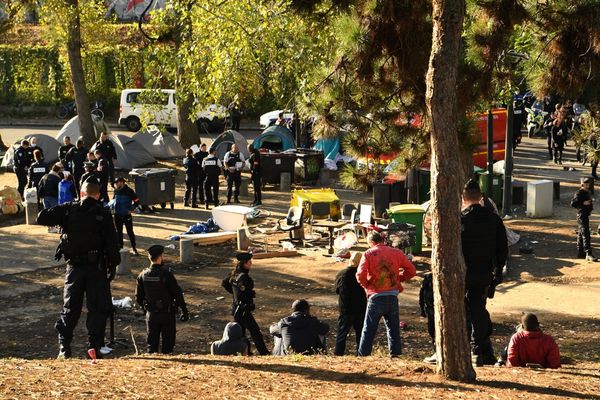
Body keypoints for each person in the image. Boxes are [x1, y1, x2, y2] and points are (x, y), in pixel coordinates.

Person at [36, 177, 121, 359]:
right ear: (98, 195)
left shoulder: (68, 209)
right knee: (97, 308)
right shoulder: (103, 213)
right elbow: (113, 243)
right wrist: (112, 266)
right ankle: (95, 346)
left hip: (74, 268)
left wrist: (64, 212)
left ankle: (64, 347)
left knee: (71, 308)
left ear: (82, 193)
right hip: (96, 268)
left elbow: (41, 217)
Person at [461, 179, 508, 366]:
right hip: (483, 272)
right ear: (481, 197)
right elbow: (502, 248)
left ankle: (469, 346)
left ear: (463, 198)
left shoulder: (460, 219)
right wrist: (498, 271)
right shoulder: (493, 219)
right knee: (478, 309)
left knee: (464, 310)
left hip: (463, 271)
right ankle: (478, 349)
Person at [356, 231, 417, 357]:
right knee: (393, 328)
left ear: (371, 242)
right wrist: (398, 279)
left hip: (376, 295)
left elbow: (360, 274)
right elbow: (411, 270)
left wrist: (367, 285)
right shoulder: (396, 252)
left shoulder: (368, 254)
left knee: (369, 329)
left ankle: (363, 355)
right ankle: (395, 355)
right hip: (392, 295)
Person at [135, 245, 189, 354]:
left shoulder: (142, 275)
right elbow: (177, 294)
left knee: (151, 345)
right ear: (160, 257)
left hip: (151, 315)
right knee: (168, 346)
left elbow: (138, 297)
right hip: (167, 314)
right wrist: (184, 310)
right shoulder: (166, 274)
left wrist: (145, 309)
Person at [221, 252, 269, 355]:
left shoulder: (234, 274)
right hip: (243, 309)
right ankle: (264, 352)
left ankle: (243, 352)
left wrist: (234, 295)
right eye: (249, 262)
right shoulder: (245, 278)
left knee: (240, 333)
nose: (251, 263)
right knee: (255, 332)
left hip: (236, 308)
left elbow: (225, 283)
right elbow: (244, 293)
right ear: (245, 264)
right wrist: (249, 295)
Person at [334, 251, 367, 356]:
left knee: (342, 334)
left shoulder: (341, 274)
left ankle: (338, 354)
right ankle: (361, 354)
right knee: (360, 334)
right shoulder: (362, 275)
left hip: (346, 309)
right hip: (360, 308)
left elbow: (337, 290)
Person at [571, 177, 598, 261]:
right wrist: (583, 203)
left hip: (585, 215)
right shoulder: (579, 193)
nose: (587, 185)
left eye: (588, 184)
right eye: (585, 184)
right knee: (586, 234)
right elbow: (573, 203)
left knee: (580, 234)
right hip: (582, 216)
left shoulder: (587, 192)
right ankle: (588, 253)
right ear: (582, 184)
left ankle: (580, 252)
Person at [112, 177, 140, 255]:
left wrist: (131, 209)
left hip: (126, 215)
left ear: (122, 182)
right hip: (117, 215)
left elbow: (137, 201)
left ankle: (134, 248)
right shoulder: (116, 190)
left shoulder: (129, 191)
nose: (116, 184)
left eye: (117, 182)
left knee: (130, 232)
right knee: (119, 233)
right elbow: (114, 200)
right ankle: (120, 249)